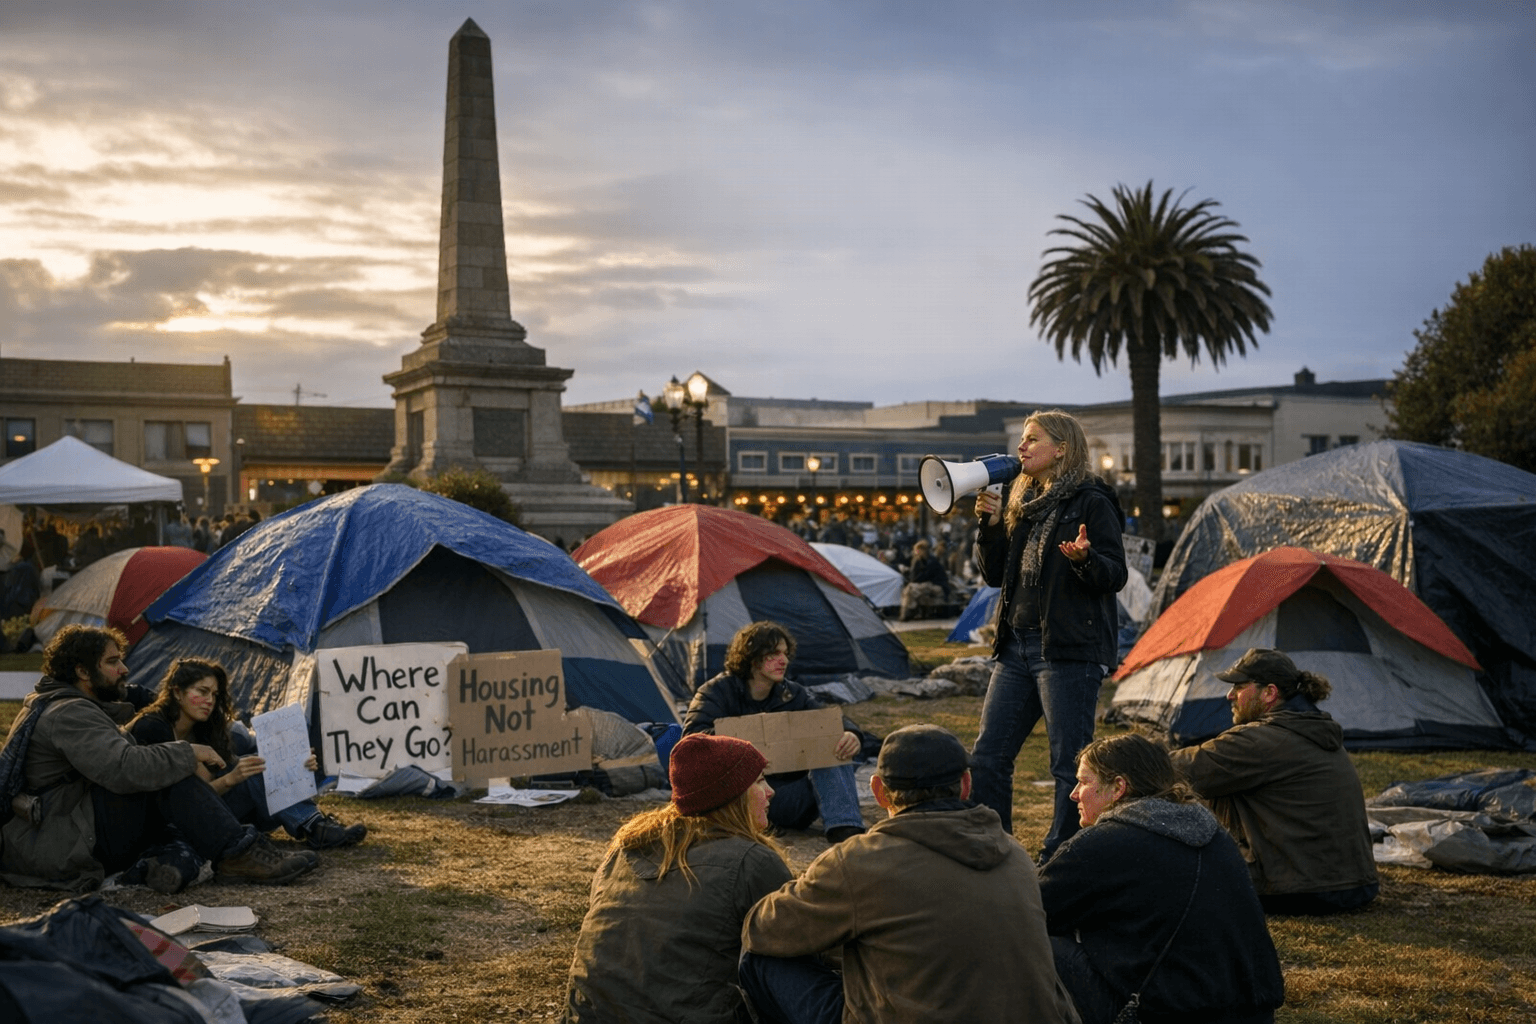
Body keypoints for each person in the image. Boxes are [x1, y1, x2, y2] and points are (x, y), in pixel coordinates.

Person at [739, 724, 1079, 1024]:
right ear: (965, 784)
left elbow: (763, 929)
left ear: (878, 790)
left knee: (759, 960)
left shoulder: (859, 860)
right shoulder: (1014, 852)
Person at [0, 625, 313, 891]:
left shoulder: (66, 703)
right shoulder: (68, 711)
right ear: (82, 671)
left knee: (166, 771)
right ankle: (235, 854)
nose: (124, 669)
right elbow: (124, 768)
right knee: (166, 772)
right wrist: (186, 752)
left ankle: (236, 849)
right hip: (60, 841)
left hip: (72, 822)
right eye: (112, 662)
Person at [1039, 734, 1285, 1024]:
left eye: (1084, 781)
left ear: (1119, 787)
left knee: (1033, 939)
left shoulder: (1105, 842)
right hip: (1253, 1014)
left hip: (1164, 1014)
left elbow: (1033, 906)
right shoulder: (1214, 833)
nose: (1074, 793)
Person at [971, 409, 1127, 859]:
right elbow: (994, 575)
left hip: (1068, 650)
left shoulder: (1092, 501)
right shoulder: (1022, 504)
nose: (1022, 447)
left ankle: (1062, 855)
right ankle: (993, 848)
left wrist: (1084, 560)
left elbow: (1114, 574)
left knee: (1069, 765)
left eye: (1032, 439)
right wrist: (992, 526)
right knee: (987, 757)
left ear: (1061, 448)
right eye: (1022, 438)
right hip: (1016, 646)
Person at [564, 733, 793, 1022]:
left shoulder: (626, 845)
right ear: (732, 795)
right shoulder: (752, 860)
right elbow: (800, 940)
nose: (771, 791)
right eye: (759, 781)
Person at [1169, 647, 1380, 915]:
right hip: (1352, 884)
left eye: (1241, 686)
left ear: (1269, 692)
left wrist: (1119, 758)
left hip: (1300, 890)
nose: (1230, 695)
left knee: (1163, 859)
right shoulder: (1312, 731)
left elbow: (1177, 767)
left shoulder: (1263, 740)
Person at [126, 658, 367, 850]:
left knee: (260, 764)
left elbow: (229, 774)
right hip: (172, 826)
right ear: (177, 693)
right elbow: (180, 802)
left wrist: (294, 765)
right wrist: (232, 779)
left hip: (218, 813)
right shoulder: (153, 727)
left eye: (214, 694)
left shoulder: (205, 728)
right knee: (253, 770)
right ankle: (315, 827)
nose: (209, 701)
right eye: (202, 691)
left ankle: (314, 823)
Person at [683, 621, 867, 844]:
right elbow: (692, 742)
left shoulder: (792, 693)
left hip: (788, 796)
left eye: (786, 654)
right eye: (774, 653)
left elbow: (828, 720)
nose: (784, 661)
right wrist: (755, 733)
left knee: (833, 742)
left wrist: (851, 733)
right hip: (740, 800)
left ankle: (846, 831)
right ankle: (758, 825)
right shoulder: (716, 692)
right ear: (752, 656)